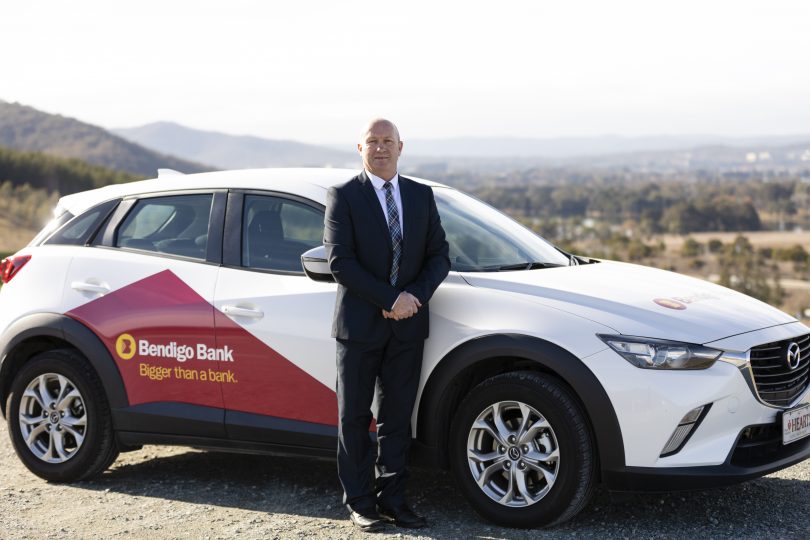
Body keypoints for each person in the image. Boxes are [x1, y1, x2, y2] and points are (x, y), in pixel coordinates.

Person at [324, 118, 450, 531]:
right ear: (359, 148)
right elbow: (340, 262)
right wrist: (390, 298)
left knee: (397, 419)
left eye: (387, 141)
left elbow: (439, 256)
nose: (380, 148)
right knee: (355, 419)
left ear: (401, 146)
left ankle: (394, 500)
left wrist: (413, 298)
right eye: (372, 142)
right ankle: (360, 503)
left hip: (408, 327)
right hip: (359, 328)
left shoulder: (420, 195)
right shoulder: (343, 196)